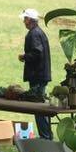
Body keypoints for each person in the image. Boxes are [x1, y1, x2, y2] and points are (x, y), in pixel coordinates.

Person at [18, 9, 52, 139]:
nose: (23, 21)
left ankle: (45, 137)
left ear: (30, 20)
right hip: (41, 74)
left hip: (37, 75)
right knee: (40, 107)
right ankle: (47, 135)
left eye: (25, 19)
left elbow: (37, 52)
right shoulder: (38, 32)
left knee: (38, 108)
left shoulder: (34, 34)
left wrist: (24, 56)